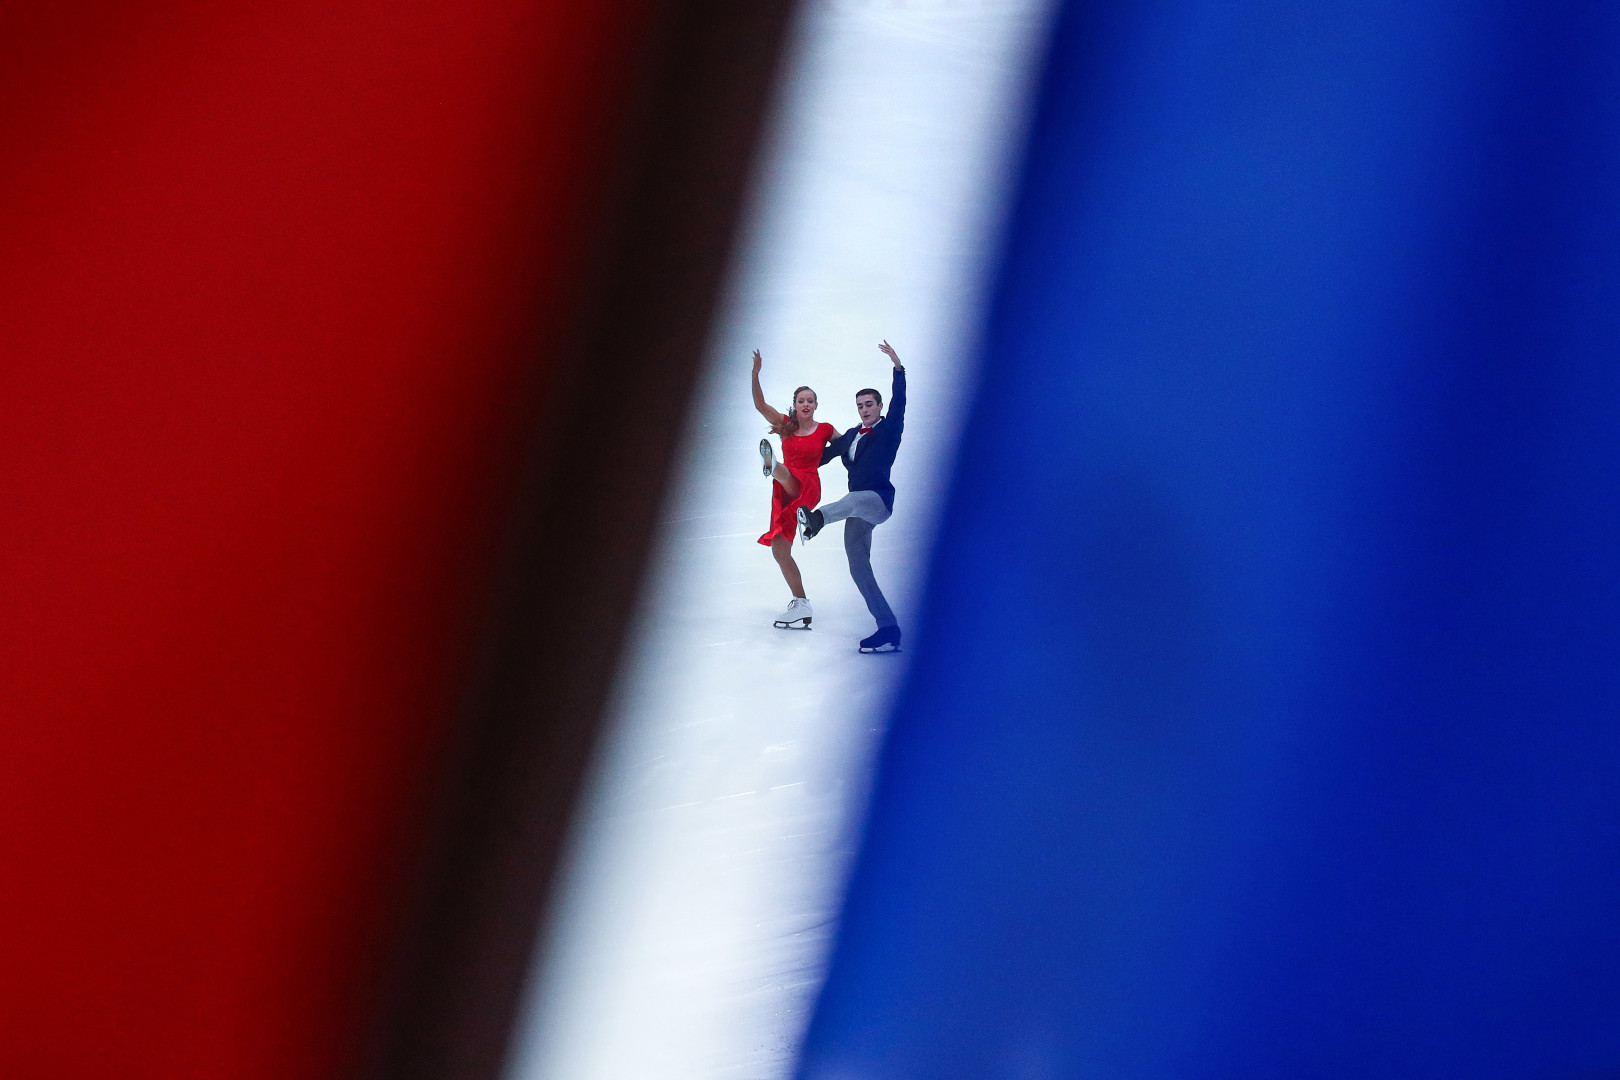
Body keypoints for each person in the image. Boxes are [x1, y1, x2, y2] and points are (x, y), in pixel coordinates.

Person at [798, 340, 906, 653]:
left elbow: (899, 401)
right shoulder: (851, 435)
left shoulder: (889, 429)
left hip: (877, 502)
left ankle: (815, 520)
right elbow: (825, 455)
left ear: (879, 407)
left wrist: (898, 368)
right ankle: (888, 627)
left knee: (855, 500)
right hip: (857, 507)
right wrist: (796, 459)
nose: (864, 409)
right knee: (858, 566)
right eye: (860, 405)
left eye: (869, 404)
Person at [752, 348, 837, 629]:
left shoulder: (824, 428)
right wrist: (755, 374)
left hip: (807, 486)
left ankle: (773, 465)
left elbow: (848, 446)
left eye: (810, 400)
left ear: (815, 405)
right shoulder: (786, 425)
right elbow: (761, 406)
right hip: (784, 493)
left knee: (786, 474)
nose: (805, 403)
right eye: (801, 400)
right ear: (795, 404)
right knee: (779, 551)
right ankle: (801, 603)